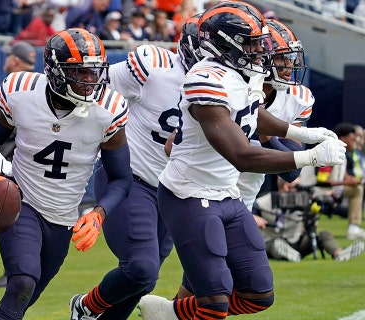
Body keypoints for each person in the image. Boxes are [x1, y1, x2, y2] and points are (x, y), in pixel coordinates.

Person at [136, 2, 345, 320]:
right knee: (213, 299)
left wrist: (308, 135)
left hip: (234, 197)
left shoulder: (252, 81)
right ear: (228, 45)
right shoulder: (207, 78)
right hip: (194, 194)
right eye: (255, 44)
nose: (261, 52)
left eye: (264, 45)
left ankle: (170, 314)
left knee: (258, 294)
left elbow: (256, 119)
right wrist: (312, 155)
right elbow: (240, 155)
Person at [0, 28, 132, 319]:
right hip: (22, 203)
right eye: (80, 73)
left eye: (94, 73)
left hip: (63, 219)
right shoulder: (21, 91)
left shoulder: (108, 110)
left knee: (25, 297)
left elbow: (120, 177)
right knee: (22, 281)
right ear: (55, 72)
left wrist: (98, 214)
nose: (89, 81)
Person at [69, 15, 202, 320]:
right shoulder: (153, 65)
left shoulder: (226, 83)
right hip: (134, 179)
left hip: (176, 189)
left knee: (145, 277)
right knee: (141, 267)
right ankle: (85, 306)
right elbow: (92, 89)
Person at [0, 40, 37, 289]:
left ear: (15, 60)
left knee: (9, 215)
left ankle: (14, 272)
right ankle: (17, 271)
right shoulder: (39, 84)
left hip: (14, 161)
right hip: (31, 164)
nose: (5, 60)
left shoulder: (15, 86)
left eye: (9, 57)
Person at [255, 177, 365, 262]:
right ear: (285, 187)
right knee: (274, 244)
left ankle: (339, 254)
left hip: (296, 241)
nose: (299, 190)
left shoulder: (303, 200)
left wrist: (328, 201)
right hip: (274, 240)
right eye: (296, 187)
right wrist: (255, 218)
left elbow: (331, 210)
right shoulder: (266, 201)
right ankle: (287, 253)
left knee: (324, 235)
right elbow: (246, 212)